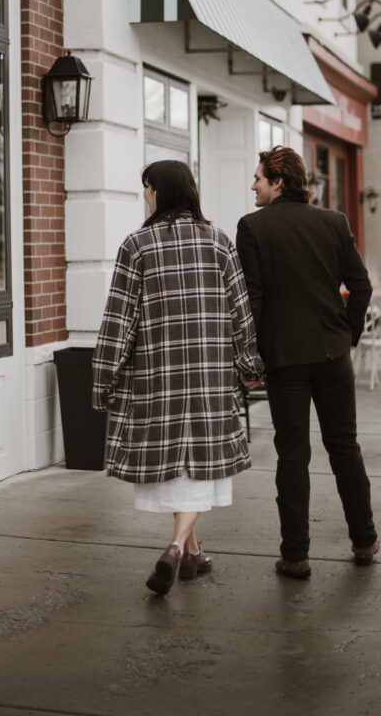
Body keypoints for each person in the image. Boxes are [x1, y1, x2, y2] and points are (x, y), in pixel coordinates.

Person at [92, 159, 264, 596]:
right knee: (196, 468)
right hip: (208, 379)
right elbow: (241, 315)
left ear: (159, 191)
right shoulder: (220, 243)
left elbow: (119, 321)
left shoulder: (137, 245)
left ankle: (178, 549)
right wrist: (250, 366)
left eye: (146, 188)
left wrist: (104, 380)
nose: (144, 196)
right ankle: (187, 552)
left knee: (179, 469)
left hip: (157, 379)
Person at [236, 146, 377, 580]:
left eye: (259, 177)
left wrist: (250, 356)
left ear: (279, 182)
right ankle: (365, 540)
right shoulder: (333, 222)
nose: (253, 184)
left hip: (285, 360)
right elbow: (361, 287)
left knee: (292, 454)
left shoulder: (252, 227)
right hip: (332, 354)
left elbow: (252, 301)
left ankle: (295, 555)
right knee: (345, 447)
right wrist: (346, 335)